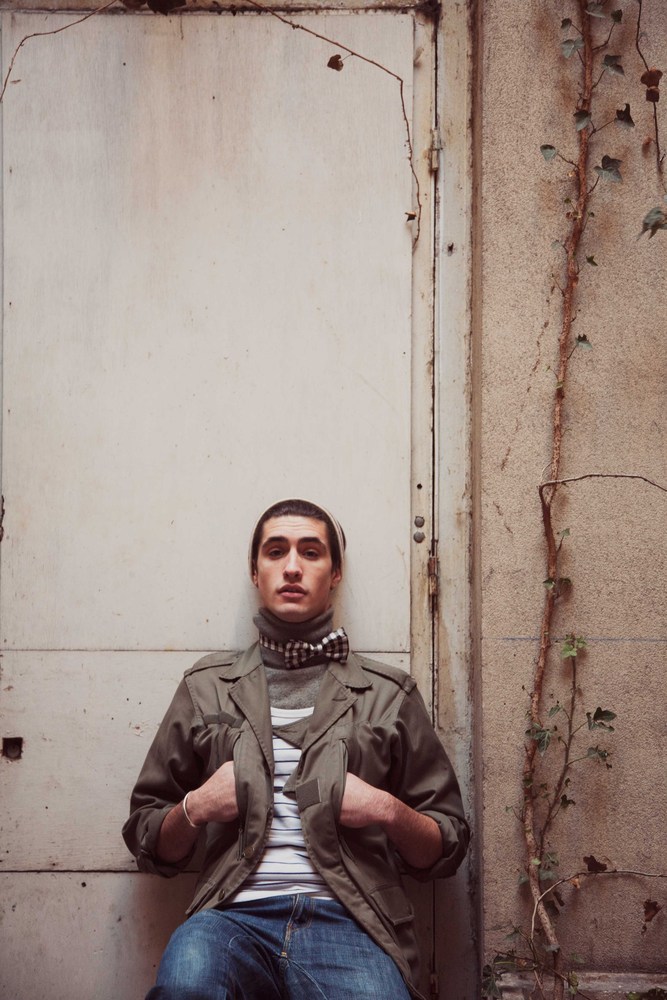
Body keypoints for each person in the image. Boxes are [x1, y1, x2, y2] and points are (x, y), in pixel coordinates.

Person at [123, 498, 470, 1000]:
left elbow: (447, 847)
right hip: (230, 919)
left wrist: (386, 809)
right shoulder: (205, 687)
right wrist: (195, 807)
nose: (291, 567)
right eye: (275, 551)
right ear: (255, 571)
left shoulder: (389, 694)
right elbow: (147, 838)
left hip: (354, 923)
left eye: (310, 552)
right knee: (186, 984)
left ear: (335, 573)